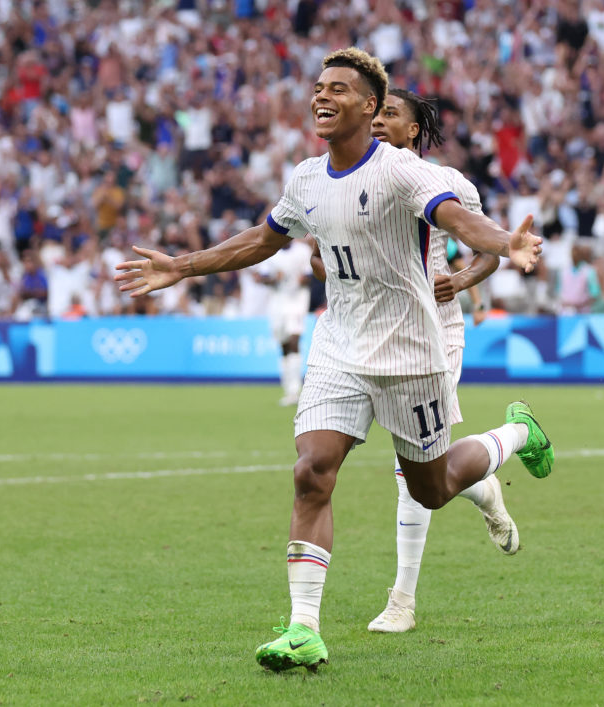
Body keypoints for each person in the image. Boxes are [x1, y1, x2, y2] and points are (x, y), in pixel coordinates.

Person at [113, 48, 554, 672]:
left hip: (410, 351)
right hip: (340, 345)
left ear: (370, 106)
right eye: (319, 87)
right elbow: (264, 238)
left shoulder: (404, 173)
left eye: (339, 89)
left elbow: (458, 219)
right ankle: (304, 629)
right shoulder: (306, 178)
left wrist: (505, 242)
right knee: (311, 470)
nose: (323, 96)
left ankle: (513, 435)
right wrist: (182, 266)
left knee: (428, 490)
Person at [343, 87, 517, 634]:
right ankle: (497, 460)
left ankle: (402, 601)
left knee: (407, 472)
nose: (377, 121)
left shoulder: (447, 183)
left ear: (414, 130)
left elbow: (486, 250)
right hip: (367, 338)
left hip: (433, 336)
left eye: (390, 114)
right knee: (427, 474)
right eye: (375, 111)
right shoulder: (345, 180)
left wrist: (460, 280)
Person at [257, 236, 314, 405]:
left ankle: (296, 389)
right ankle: (288, 387)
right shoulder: (271, 253)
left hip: (297, 300)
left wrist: (301, 279)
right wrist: (275, 278)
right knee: (283, 344)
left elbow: (310, 275)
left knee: (294, 338)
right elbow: (263, 277)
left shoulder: (302, 251)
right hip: (277, 302)